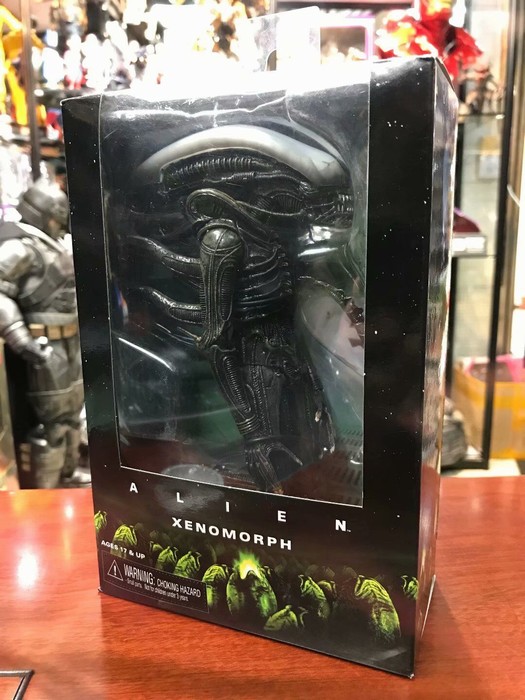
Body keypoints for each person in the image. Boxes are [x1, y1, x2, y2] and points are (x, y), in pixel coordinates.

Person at [0, 179, 87, 488]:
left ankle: (68, 473)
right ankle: (47, 490)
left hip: (71, 341)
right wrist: (20, 338)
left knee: (72, 413)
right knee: (53, 421)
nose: (61, 219)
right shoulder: (21, 248)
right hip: (46, 344)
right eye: (57, 213)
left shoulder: (55, 244)